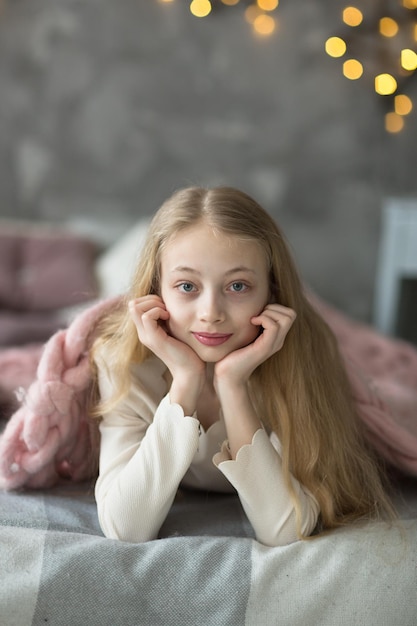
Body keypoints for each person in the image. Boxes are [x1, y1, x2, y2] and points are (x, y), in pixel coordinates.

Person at [91, 186, 394, 546]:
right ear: (158, 289)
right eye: (187, 285)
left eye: (237, 286)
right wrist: (185, 381)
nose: (210, 314)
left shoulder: (303, 360)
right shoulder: (123, 363)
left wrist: (232, 386)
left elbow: (285, 529)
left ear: (272, 291)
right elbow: (126, 528)